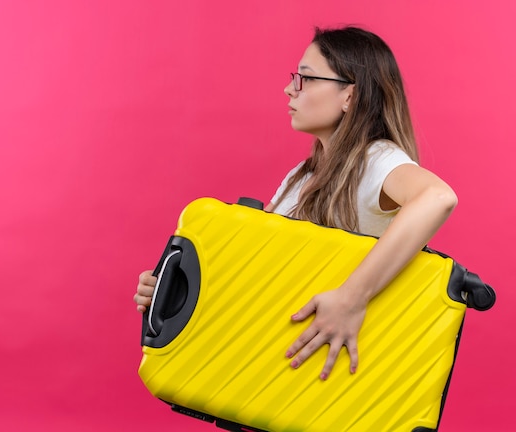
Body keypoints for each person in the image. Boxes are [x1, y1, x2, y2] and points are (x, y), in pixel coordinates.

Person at [134, 26, 457, 382]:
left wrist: (352, 298)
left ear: (350, 95)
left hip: (326, 380)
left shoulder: (377, 159)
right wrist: (172, 288)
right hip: (283, 374)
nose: (290, 89)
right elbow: (260, 275)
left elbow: (437, 197)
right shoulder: (300, 177)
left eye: (305, 78)